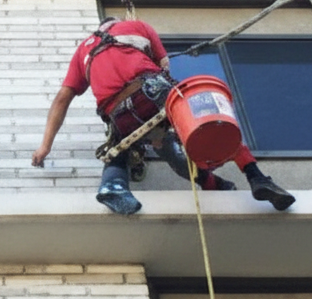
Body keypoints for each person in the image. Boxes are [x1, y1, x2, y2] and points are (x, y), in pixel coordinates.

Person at [32, 16, 294, 216]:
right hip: (151, 90)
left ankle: (114, 187)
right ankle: (256, 178)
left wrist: (45, 147)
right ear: (117, 23)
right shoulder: (137, 26)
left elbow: (62, 99)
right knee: (207, 120)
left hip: (118, 113)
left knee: (119, 149)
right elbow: (163, 65)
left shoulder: (82, 52)